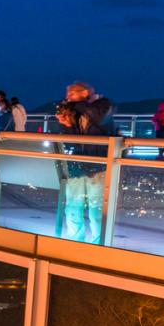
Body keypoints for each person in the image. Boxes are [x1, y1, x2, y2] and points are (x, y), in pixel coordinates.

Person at [53, 98, 108, 243]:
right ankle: (75, 240)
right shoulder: (74, 118)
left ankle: (98, 243)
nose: (68, 97)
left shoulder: (101, 107)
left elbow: (94, 113)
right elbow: (70, 143)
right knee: (72, 207)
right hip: (76, 167)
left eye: (72, 93)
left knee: (96, 210)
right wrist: (67, 124)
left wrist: (75, 105)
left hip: (98, 166)